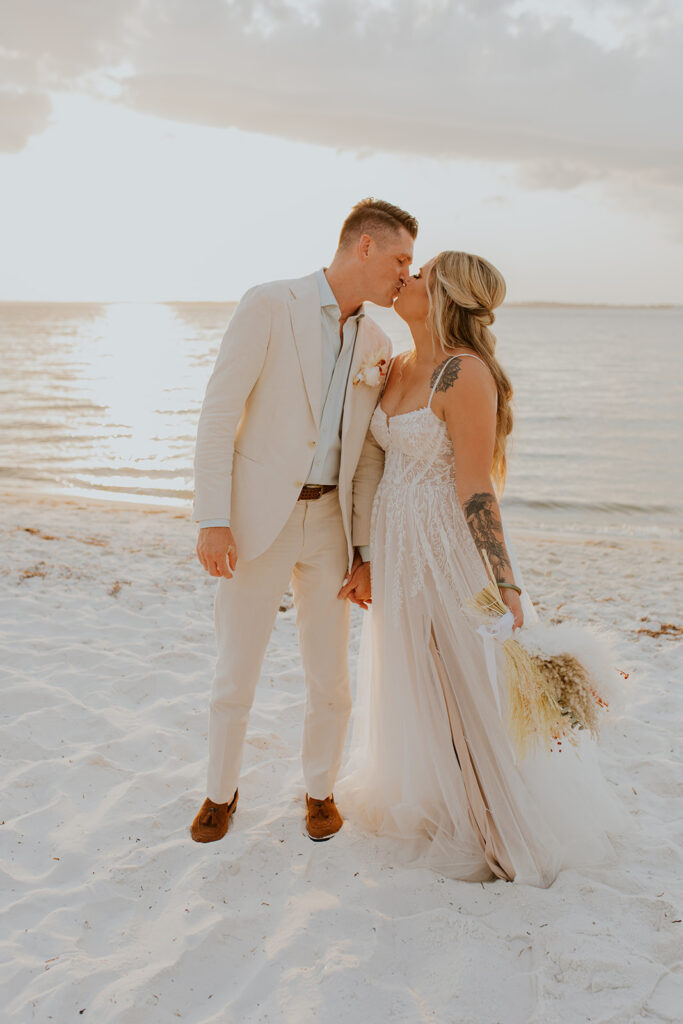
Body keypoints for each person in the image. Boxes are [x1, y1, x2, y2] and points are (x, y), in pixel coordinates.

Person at [338, 251, 627, 886]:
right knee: (415, 676)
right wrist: (364, 557)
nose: (407, 279)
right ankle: (446, 800)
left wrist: (505, 583)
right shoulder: (399, 364)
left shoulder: (465, 374)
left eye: (420, 274)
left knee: (467, 683)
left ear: (441, 295)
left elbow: (475, 488)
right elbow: (374, 465)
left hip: (450, 552)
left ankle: (499, 827)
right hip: (398, 546)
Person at [190, 198, 417, 844]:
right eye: (400, 258)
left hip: (330, 526)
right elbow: (218, 413)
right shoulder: (268, 304)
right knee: (236, 667)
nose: (406, 273)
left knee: (331, 677)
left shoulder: (377, 343)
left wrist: (365, 550)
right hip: (255, 519)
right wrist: (212, 518)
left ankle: (319, 791)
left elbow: (367, 458)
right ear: (363, 248)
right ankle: (219, 793)